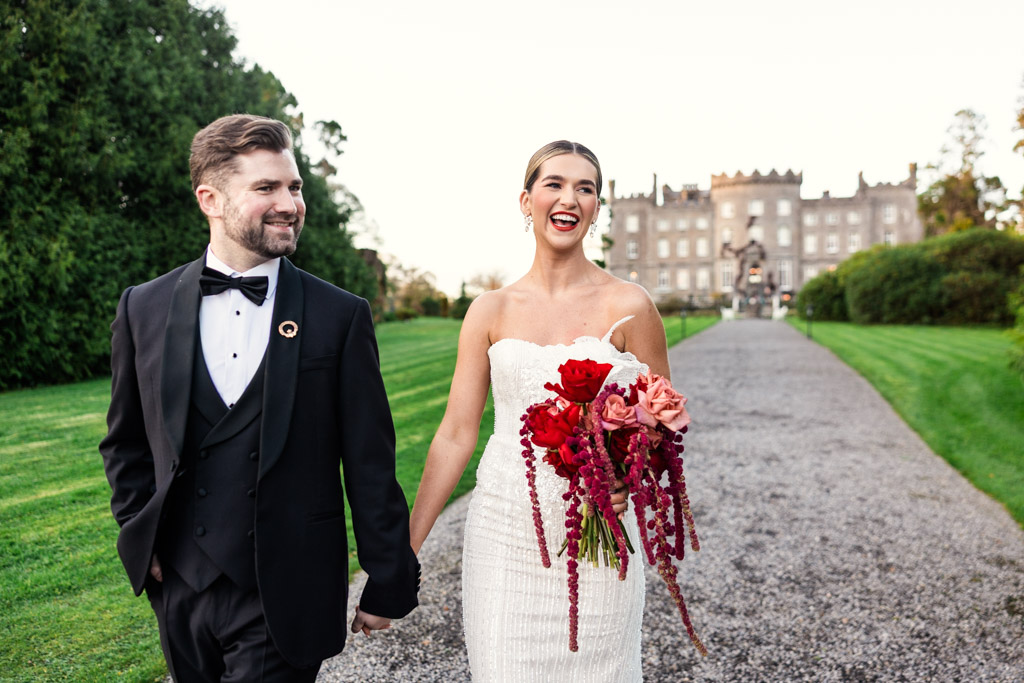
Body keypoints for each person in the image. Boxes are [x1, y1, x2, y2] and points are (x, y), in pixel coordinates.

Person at [99, 114, 419, 682]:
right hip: (179, 590)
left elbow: (370, 462)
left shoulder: (339, 317)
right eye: (266, 188)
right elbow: (125, 441)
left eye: (294, 187)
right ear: (211, 200)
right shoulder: (142, 308)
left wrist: (388, 579)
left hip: (286, 588)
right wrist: (138, 531)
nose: (290, 203)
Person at [409, 141, 671, 681]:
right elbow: (456, 434)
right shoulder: (490, 310)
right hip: (506, 535)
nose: (569, 198)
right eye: (554, 184)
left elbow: (663, 417)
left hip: (601, 539)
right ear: (526, 201)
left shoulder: (631, 305)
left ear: (598, 207)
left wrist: (625, 470)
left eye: (586, 188)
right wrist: (404, 552)